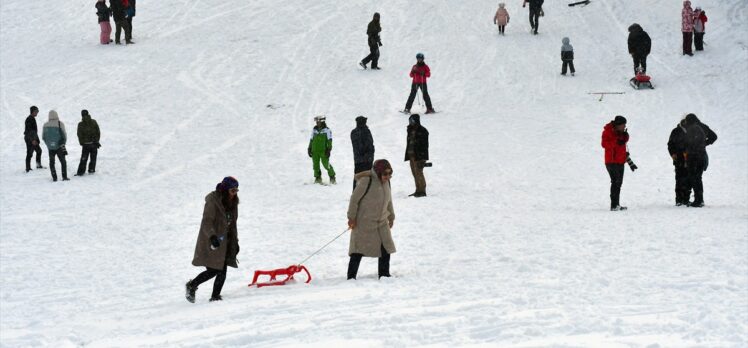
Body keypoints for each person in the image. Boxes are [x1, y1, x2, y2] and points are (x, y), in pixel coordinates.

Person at [186, 177, 241, 303]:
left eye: (236, 190)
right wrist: (212, 237)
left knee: (222, 268)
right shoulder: (213, 201)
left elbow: (233, 224)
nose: (235, 193)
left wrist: (235, 242)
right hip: (212, 240)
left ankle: (215, 296)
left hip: (226, 241)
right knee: (214, 269)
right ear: (225, 190)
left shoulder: (233, 203)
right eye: (232, 190)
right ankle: (192, 285)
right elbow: (207, 221)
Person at [347, 159, 396, 280]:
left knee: (386, 247)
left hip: (382, 222)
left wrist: (391, 216)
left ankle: (384, 275)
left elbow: (389, 201)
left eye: (390, 173)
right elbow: (354, 200)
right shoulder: (366, 181)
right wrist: (351, 217)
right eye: (385, 174)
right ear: (378, 172)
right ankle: (351, 276)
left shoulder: (386, 183)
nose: (388, 176)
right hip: (364, 222)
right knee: (358, 250)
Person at [683, 113, 717, 207]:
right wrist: (704, 144)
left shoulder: (692, 128)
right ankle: (699, 199)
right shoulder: (703, 126)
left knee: (695, 178)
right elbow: (714, 136)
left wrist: (697, 146)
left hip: (694, 156)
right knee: (697, 177)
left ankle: (698, 200)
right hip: (702, 154)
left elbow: (689, 143)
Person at [601, 116, 630, 211]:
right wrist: (616, 141)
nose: (624, 126)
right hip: (611, 161)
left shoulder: (621, 133)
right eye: (623, 124)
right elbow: (604, 144)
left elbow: (623, 144)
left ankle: (616, 204)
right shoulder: (608, 131)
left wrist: (625, 137)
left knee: (618, 183)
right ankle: (614, 205)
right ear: (618, 125)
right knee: (615, 182)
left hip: (620, 161)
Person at [668, 116, 691, 206]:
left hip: (689, 159)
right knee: (679, 179)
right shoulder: (675, 131)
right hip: (679, 158)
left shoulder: (690, 131)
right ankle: (679, 200)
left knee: (688, 180)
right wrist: (673, 153)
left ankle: (686, 199)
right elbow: (670, 144)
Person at [404, 114, 429, 197]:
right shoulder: (410, 130)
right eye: (410, 121)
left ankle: (422, 191)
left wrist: (422, 157)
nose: (411, 122)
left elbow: (425, 145)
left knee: (419, 173)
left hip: (419, 156)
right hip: (411, 156)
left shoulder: (423, 130)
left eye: (412, 121)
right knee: (415, 173)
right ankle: (418, 190)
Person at [41, 110, 69, 182]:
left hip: (50, 147)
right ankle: (64, 176)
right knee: (63, 162)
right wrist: (63, 144)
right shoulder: (60, 124)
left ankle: (54, 177)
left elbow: (43, 137)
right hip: (59, 146)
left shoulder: (45, 125)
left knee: (52, 162)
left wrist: (49, 144)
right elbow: (64, 136)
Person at [308, 116, 336, 185]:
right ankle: (318, 178)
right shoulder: (314, 130)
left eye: (318, 121)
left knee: (326, 164)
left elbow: (330, 140)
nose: (317, 123)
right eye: (316, 121)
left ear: (322, 122)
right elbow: (311, 140)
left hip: (323, 151)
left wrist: (329, 149)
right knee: (315, 166)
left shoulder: (327, 130)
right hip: (315, 151)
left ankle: (332, 176)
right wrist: (309, 148)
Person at [350, 115, 375, 190]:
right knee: (363, 176)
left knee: (359, 176)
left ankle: (357, 192)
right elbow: (369, 144)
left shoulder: (355, 132)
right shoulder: (365, 131)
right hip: (364, 159)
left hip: (360, 159)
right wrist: (368, 156)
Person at [75, 110, 101, 176]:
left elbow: (79, 134)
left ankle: (81, 172)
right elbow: (98, 132)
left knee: (84, 159)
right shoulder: (94, 122)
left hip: (86, 145)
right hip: (94, 144)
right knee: (93, 158)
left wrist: (81, 142)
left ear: (82, 115)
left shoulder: (80, 124)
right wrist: (96, 141)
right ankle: (91, 169)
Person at [24, 106, 44, 172]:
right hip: (30, 139)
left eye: (37, 111)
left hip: (33, 138)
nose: (37, 113)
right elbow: (29, 131)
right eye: (36, 111)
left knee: (39, 151)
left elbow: (34, 131)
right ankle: (28, 168)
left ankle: (38, 165)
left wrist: (36, 139)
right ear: (32, 111)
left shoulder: (32, 118)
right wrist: (32, 140)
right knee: (29, 153)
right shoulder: (29, 119)